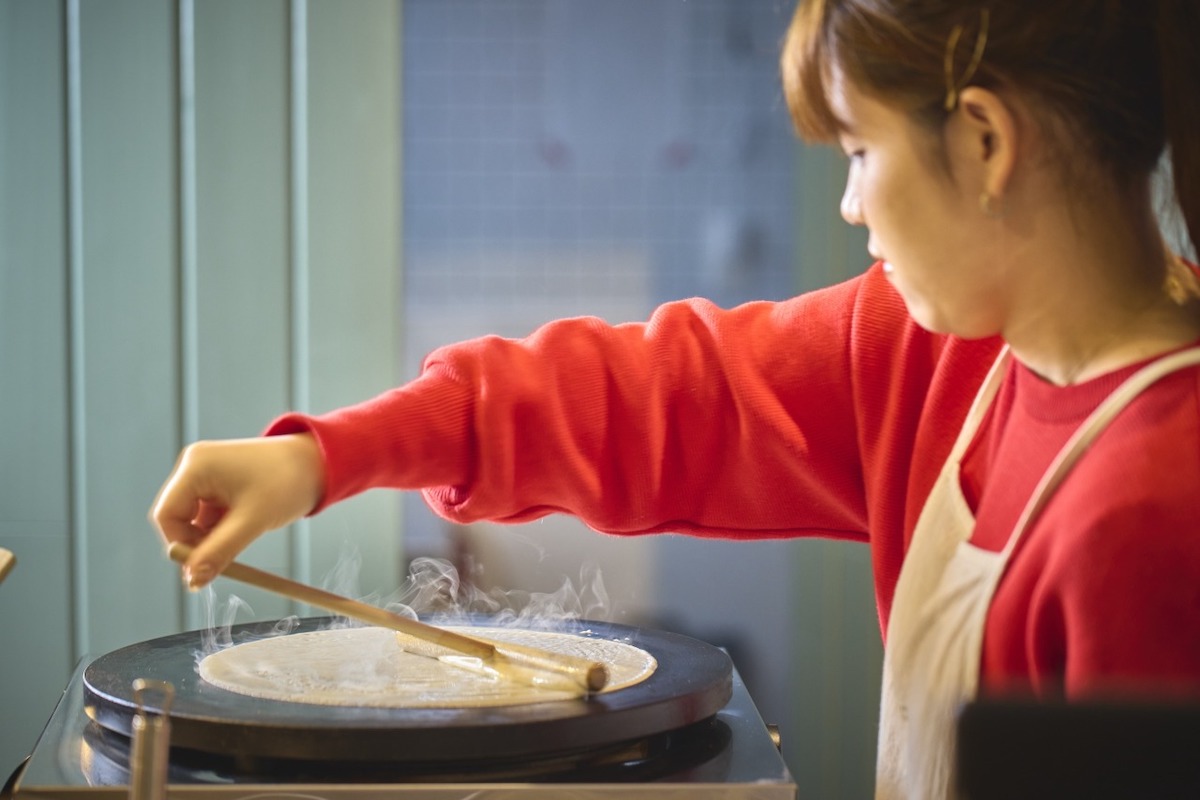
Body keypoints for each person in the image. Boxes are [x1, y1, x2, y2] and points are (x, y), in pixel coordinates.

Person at [150, 1, 1200, 797]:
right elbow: (648, 392)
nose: (850, 204)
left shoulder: (1153, 510)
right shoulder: (941, 354)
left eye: (859, 150)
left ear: (983, 141)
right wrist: (325, 456)